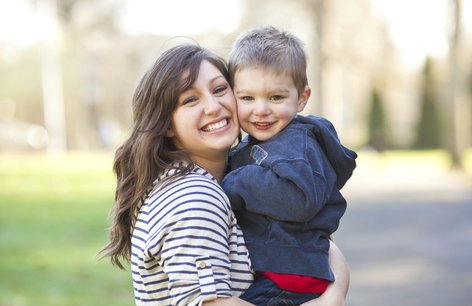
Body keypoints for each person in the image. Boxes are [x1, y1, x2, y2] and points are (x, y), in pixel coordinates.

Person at [101, 43, 350, 306]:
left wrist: (335, 284)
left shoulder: (232, 180)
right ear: (167, 125)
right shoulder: (194, 197)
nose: (213, 106)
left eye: (220, 89)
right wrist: (329, 300)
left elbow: (312, 241)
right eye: (190, 100)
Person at [221, 26, 357, 306]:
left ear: (302, 98)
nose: (261, 109)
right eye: (247, 98)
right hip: (278, 270)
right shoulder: (260, 142)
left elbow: (298, 199)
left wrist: (232, 183)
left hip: (286, 278)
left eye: (275, 97)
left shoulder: (297, 143)